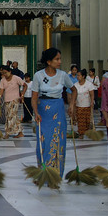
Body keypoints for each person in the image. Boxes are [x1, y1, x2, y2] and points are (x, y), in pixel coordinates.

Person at [32, 48, 77, 178]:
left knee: (58, 140)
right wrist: (36, 112)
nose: (60, 62)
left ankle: (56, 174)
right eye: (57, 59)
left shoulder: (63, 75)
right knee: (43, 141)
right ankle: (42, 173)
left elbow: (74, 90)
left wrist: (72, 105)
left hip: (58, 108)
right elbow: (34, 97)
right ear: (48, 61)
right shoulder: (38, 75)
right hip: (43, 110)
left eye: (60, 59)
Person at [0, 65, 27, 139]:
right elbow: (1, 89)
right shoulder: (3, 80)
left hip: (15, 100)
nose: (4, 75)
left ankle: (7, 133)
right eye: (3, 73)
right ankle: (20, 132)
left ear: (10, 71)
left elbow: (25, 85)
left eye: (5, 73)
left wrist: (22, 94)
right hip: (7, 100)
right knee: (10, 116)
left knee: (11, 116)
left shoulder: (16, 78)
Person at [74, 69, 94, 138]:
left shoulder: (89, 84)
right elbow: (74, 94)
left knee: (87, 121)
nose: (77, 77)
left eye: (79, 75)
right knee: (80, 121)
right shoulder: (75, 85)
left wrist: (92, 101)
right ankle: (81, 134)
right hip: (79, 105)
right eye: (77, 75)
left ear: (83, 76)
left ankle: (88, 130)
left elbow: (91, 94)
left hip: (87, 105)